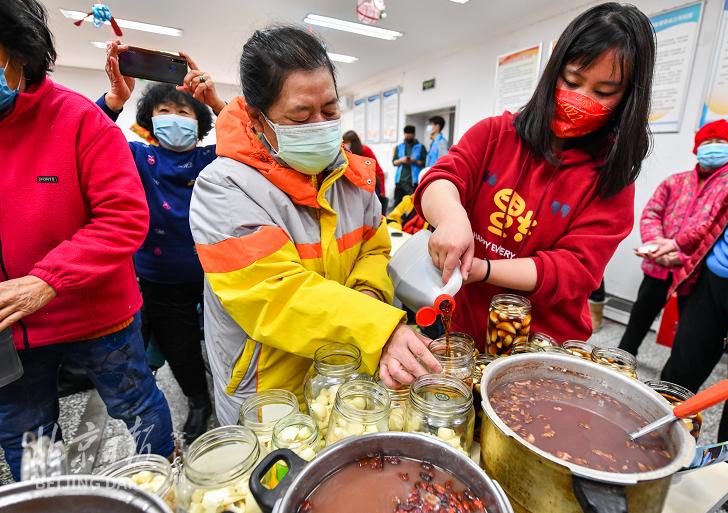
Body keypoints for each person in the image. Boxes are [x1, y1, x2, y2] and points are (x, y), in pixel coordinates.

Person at [189, 26, 439, 423]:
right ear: (258, 118)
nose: (321, 124)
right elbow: (276, 295)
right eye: (301, 115)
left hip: (343, 377)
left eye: (330, 110)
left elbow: (374, 248)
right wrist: (378, 330)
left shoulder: (353, 177)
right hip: (269, 395)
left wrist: (368, 299)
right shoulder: (224, 187)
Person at [413, 2, 656, 348]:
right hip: (463, 330)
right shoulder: (495, 134)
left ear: (628, 97)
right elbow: (441, 179)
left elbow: (574, 268)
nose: (581, 99)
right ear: (553, 72)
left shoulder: (610, 177)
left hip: (542, 344)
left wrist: (484, 270)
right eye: (572, 80)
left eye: (603, 92)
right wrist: (452, 217)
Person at [0, 0, 173, 480]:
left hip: (96, 313)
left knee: (135, 405)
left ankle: (159, 483)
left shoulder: (78, 119)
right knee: (29, 432)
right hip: (9, 331)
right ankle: (50, 496)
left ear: (19, 54)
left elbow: (123, 215)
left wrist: (46, 281)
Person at [96, 41, 228, 442]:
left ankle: (222, 390)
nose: (174, 118)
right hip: (158, 277)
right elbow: (89, 135)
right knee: (181, 347)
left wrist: (217, 103)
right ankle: (198, 400)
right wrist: (114, 99)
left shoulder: (213, 158)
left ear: (199, 121)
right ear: (149, 120)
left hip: (215, 273)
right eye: (163, 112)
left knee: (224, 341)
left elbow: (257, 144)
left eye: (184, 111)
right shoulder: (136, 155)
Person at [648, 161, 728, 513]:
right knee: (678, 374)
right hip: (712, 281)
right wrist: (678, 246)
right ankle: (654, 450)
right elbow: (719, 221)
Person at [618, 120, 728, 356]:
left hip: (696, 274)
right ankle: (621, 361)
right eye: (708, 142)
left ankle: (672, 382)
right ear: (697, 147)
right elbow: (652, 212)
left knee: (689, 334)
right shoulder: (675, 181)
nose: (713, 147)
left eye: (720, 142)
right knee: (638, 319)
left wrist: (681, 255)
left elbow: (720, 229)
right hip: (658, 265)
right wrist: (656, 246)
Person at [343, 130, 387, 213]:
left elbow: (378, 170)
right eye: (344, 142)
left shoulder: (365, 150)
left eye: (347, 142)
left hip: (371, 185)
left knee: (372, 211)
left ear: (353, 142)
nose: (345, 145)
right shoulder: (348, 154)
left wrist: (382, 190)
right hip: (359, 187)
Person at [392, 125, 426, 207]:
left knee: (412, 205)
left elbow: (424, 163)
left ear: (414, 134)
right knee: (397, 205)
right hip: (400, 181)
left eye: (410, 134)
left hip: (413, 182)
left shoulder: (421, 147)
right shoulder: (399, 147)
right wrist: (401, 160)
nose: (407, 135)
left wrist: (414, 161)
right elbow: (394, 162)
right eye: (406, 134)